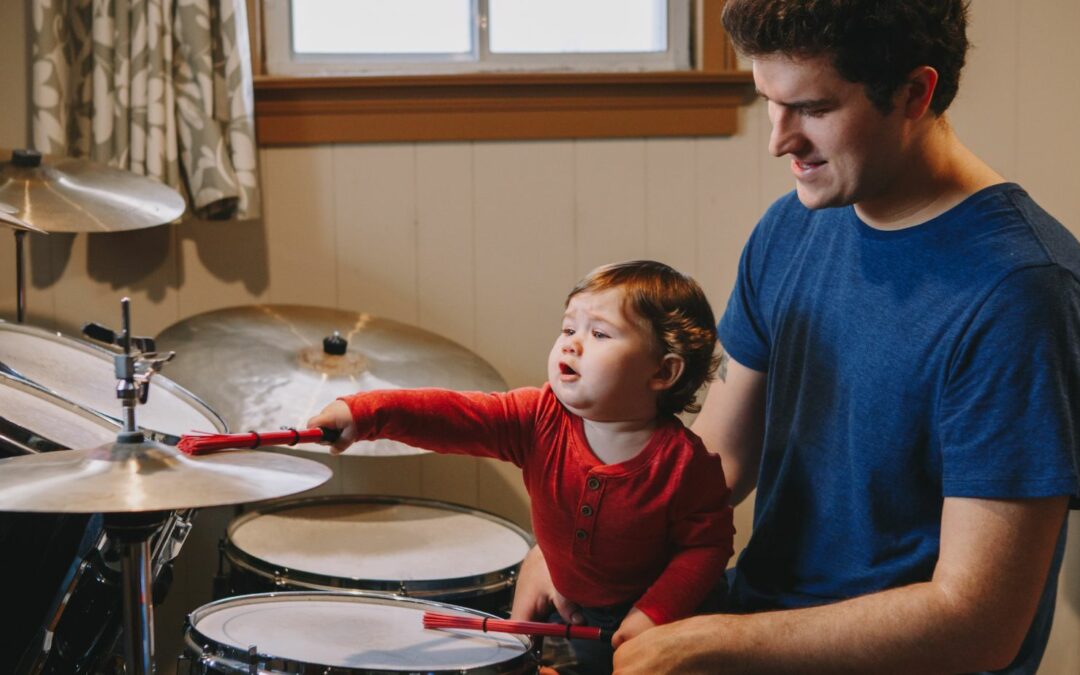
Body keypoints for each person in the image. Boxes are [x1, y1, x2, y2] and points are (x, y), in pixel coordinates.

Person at [513, 2, 1080, 673]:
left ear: (914, 93)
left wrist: (711, 642)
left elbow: (979, 621)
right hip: (753, 623)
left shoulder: (1020, 292)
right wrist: (575, 548)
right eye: (768, 103)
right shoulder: (792, 227)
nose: (780, 139)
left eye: (812, 108)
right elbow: (711, 465)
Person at [308, 260, 735, 674]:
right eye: (568, 328)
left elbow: (706, 547)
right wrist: (364, 414)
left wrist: (653, 615)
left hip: (664, 626)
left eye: (600, 333)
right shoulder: (538, 417)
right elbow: (453, 414)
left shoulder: (685, 464)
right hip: (574, 614)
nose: (571, 343)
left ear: (663, 372)